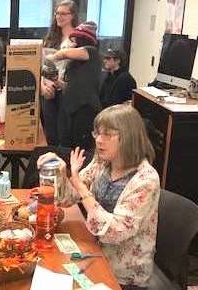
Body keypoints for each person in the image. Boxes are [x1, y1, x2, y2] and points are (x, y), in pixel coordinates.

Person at [37, 104, 160, 290]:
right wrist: (60, 170)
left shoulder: (146, 179)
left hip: (123, 274)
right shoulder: (103, 162)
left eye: (107, 135)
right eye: (97, 133)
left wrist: (81, 187)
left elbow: (114, 232)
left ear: (129, 138)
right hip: (95, 251)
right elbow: (68, 198)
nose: (99, 141)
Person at [47, 22, 102, 150]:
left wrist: (50, 57)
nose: (74, 42)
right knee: (66, 145)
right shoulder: (75, 63)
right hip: (70, 108)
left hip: (85, 108)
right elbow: (70, 86)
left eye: (76, 39)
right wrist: (56, 81)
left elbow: (64, 54)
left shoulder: (91, 52)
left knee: (81, 148)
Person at [41, 0, 79, 145]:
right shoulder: (50, 38)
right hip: (48, 90)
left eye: (63, 13)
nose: (59, 16)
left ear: (72, 16)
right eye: (57, 13)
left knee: (64, 135)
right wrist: (43, 87)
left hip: (66, 91)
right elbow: (41, 66)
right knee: (50, 135)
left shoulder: (77, 40)